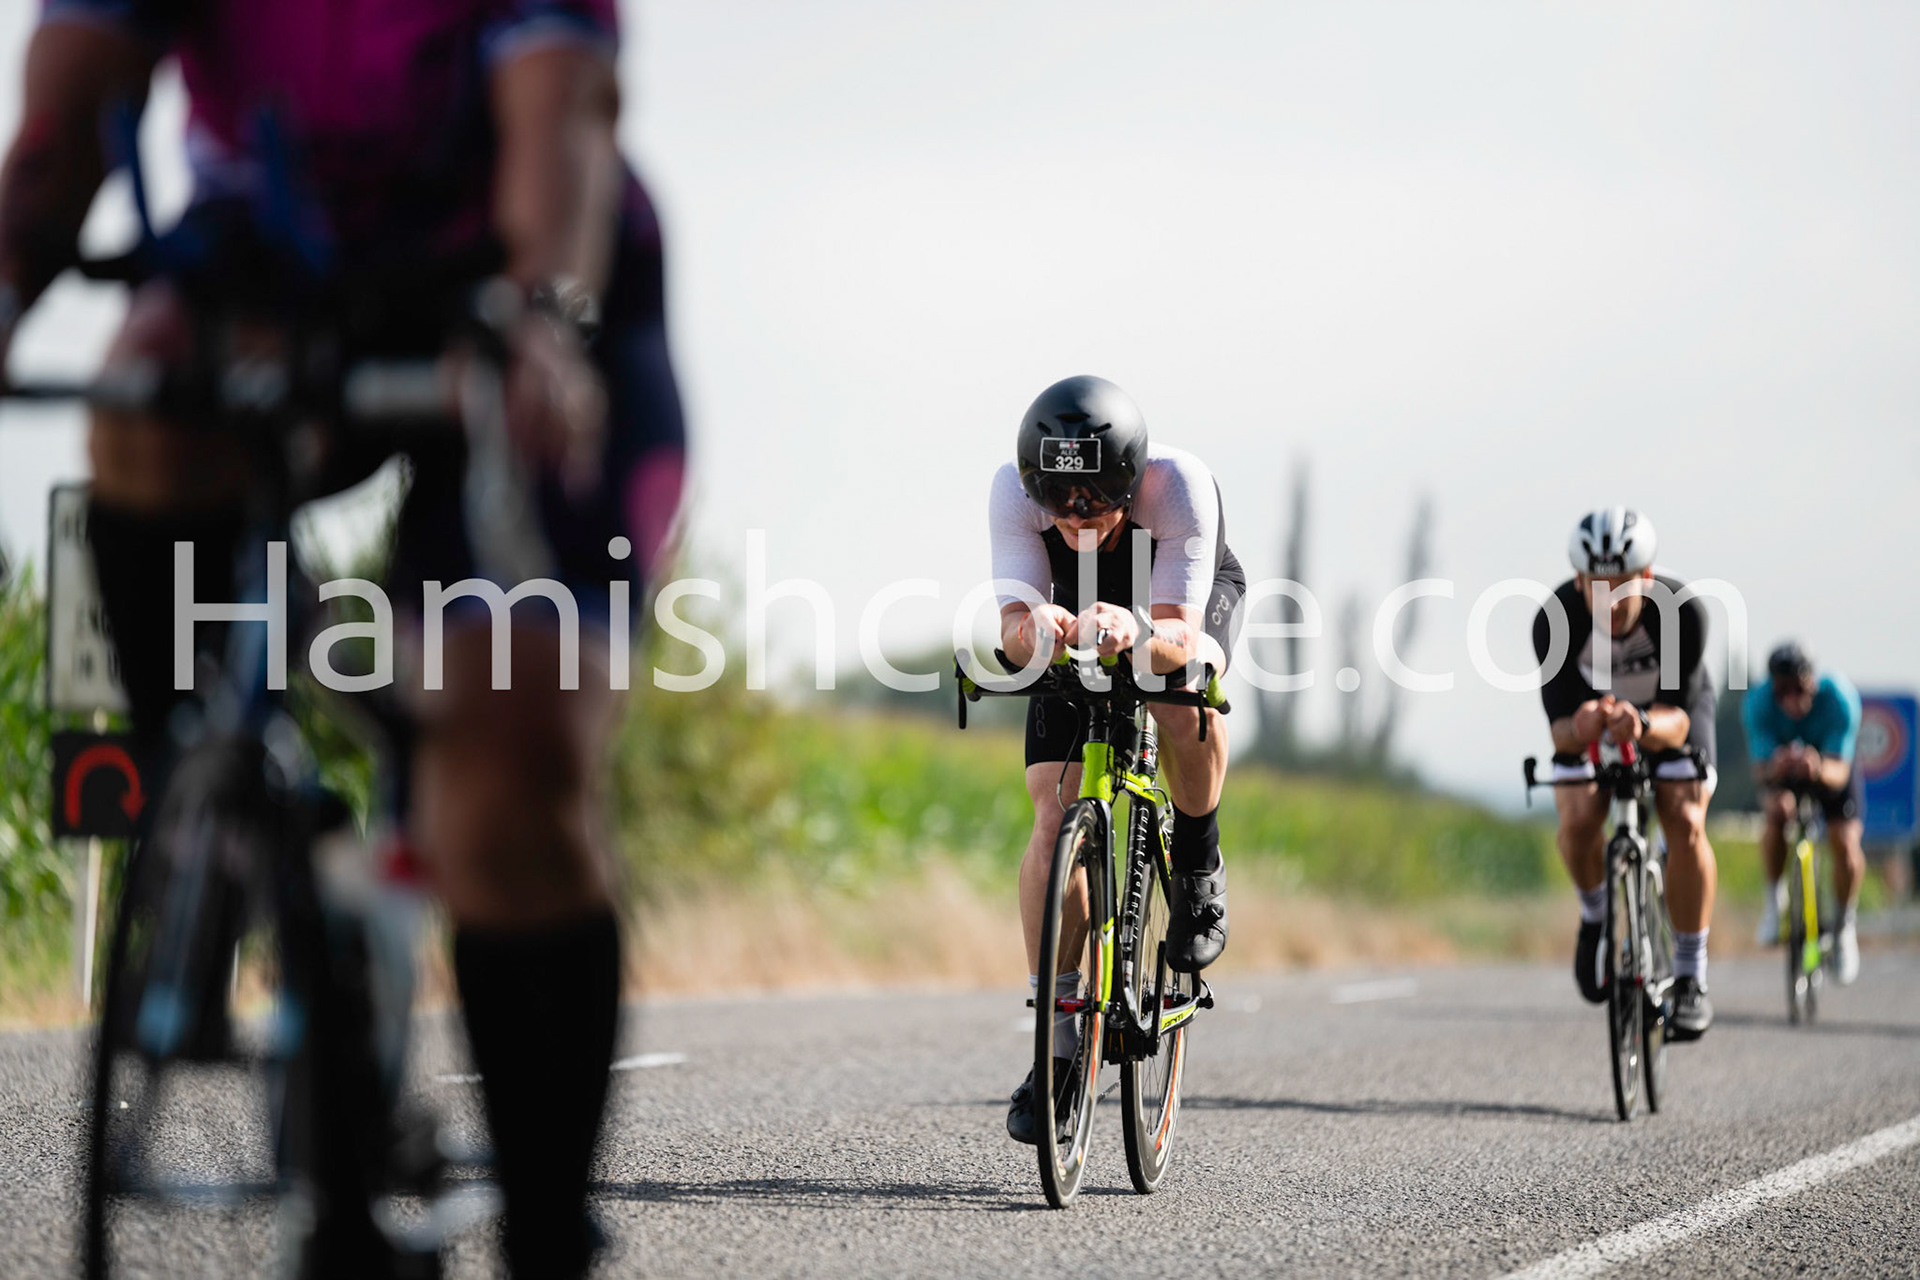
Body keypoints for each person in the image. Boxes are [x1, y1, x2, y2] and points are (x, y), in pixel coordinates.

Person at [0, 3, 685, 1276]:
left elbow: (560, 120)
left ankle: (543, 1227)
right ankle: (220, 811)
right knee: (147, 397)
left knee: (511, 732)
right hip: (285, 263)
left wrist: (538, 317)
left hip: (528, 284)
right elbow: (59, 135)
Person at [988, 375, 1244, 1144]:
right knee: (1052, 811)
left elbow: (1180, 638)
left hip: (1170, 603)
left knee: (1179, 699)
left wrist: (1137, 631)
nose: (1077, 518)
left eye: (1097, 502)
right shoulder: (1012, 492)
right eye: (1060, 504)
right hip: (1077, 607)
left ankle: (1197, 859)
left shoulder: (1178, 486)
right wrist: (1036, 628)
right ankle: (1058, 1048)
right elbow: (1011, 631)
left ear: (1130, 483)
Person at [1531, 507, 1719, 1040]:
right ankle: (1595, 916)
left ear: (1648, 578)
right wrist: (1583, 724)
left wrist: (1640, 722)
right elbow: (1560, 733)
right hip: (1596, 722)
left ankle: (1690, 975)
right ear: (1578, 582)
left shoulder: (1680, 611)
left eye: (1622, 587)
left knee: (1684, 817)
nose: (1609, 601)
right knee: (1577, 819)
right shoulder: (1555, 619)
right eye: (1597, 587)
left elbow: (1679, 721)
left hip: (1666, 718)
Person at [1742, 641, 1864, 984]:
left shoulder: (1839, 699)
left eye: (1799, 688)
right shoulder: (1757, 703)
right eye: (1783, 691)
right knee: (1775, 813)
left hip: (1830, 767)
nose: (1792, 699)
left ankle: (1843, 925)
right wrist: (1777, 768)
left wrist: (1817, 766)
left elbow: (1840, 771)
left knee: (1845, 843)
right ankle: (1774, 901)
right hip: (1783, 773)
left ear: (1813, 681)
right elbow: (1760, 771)